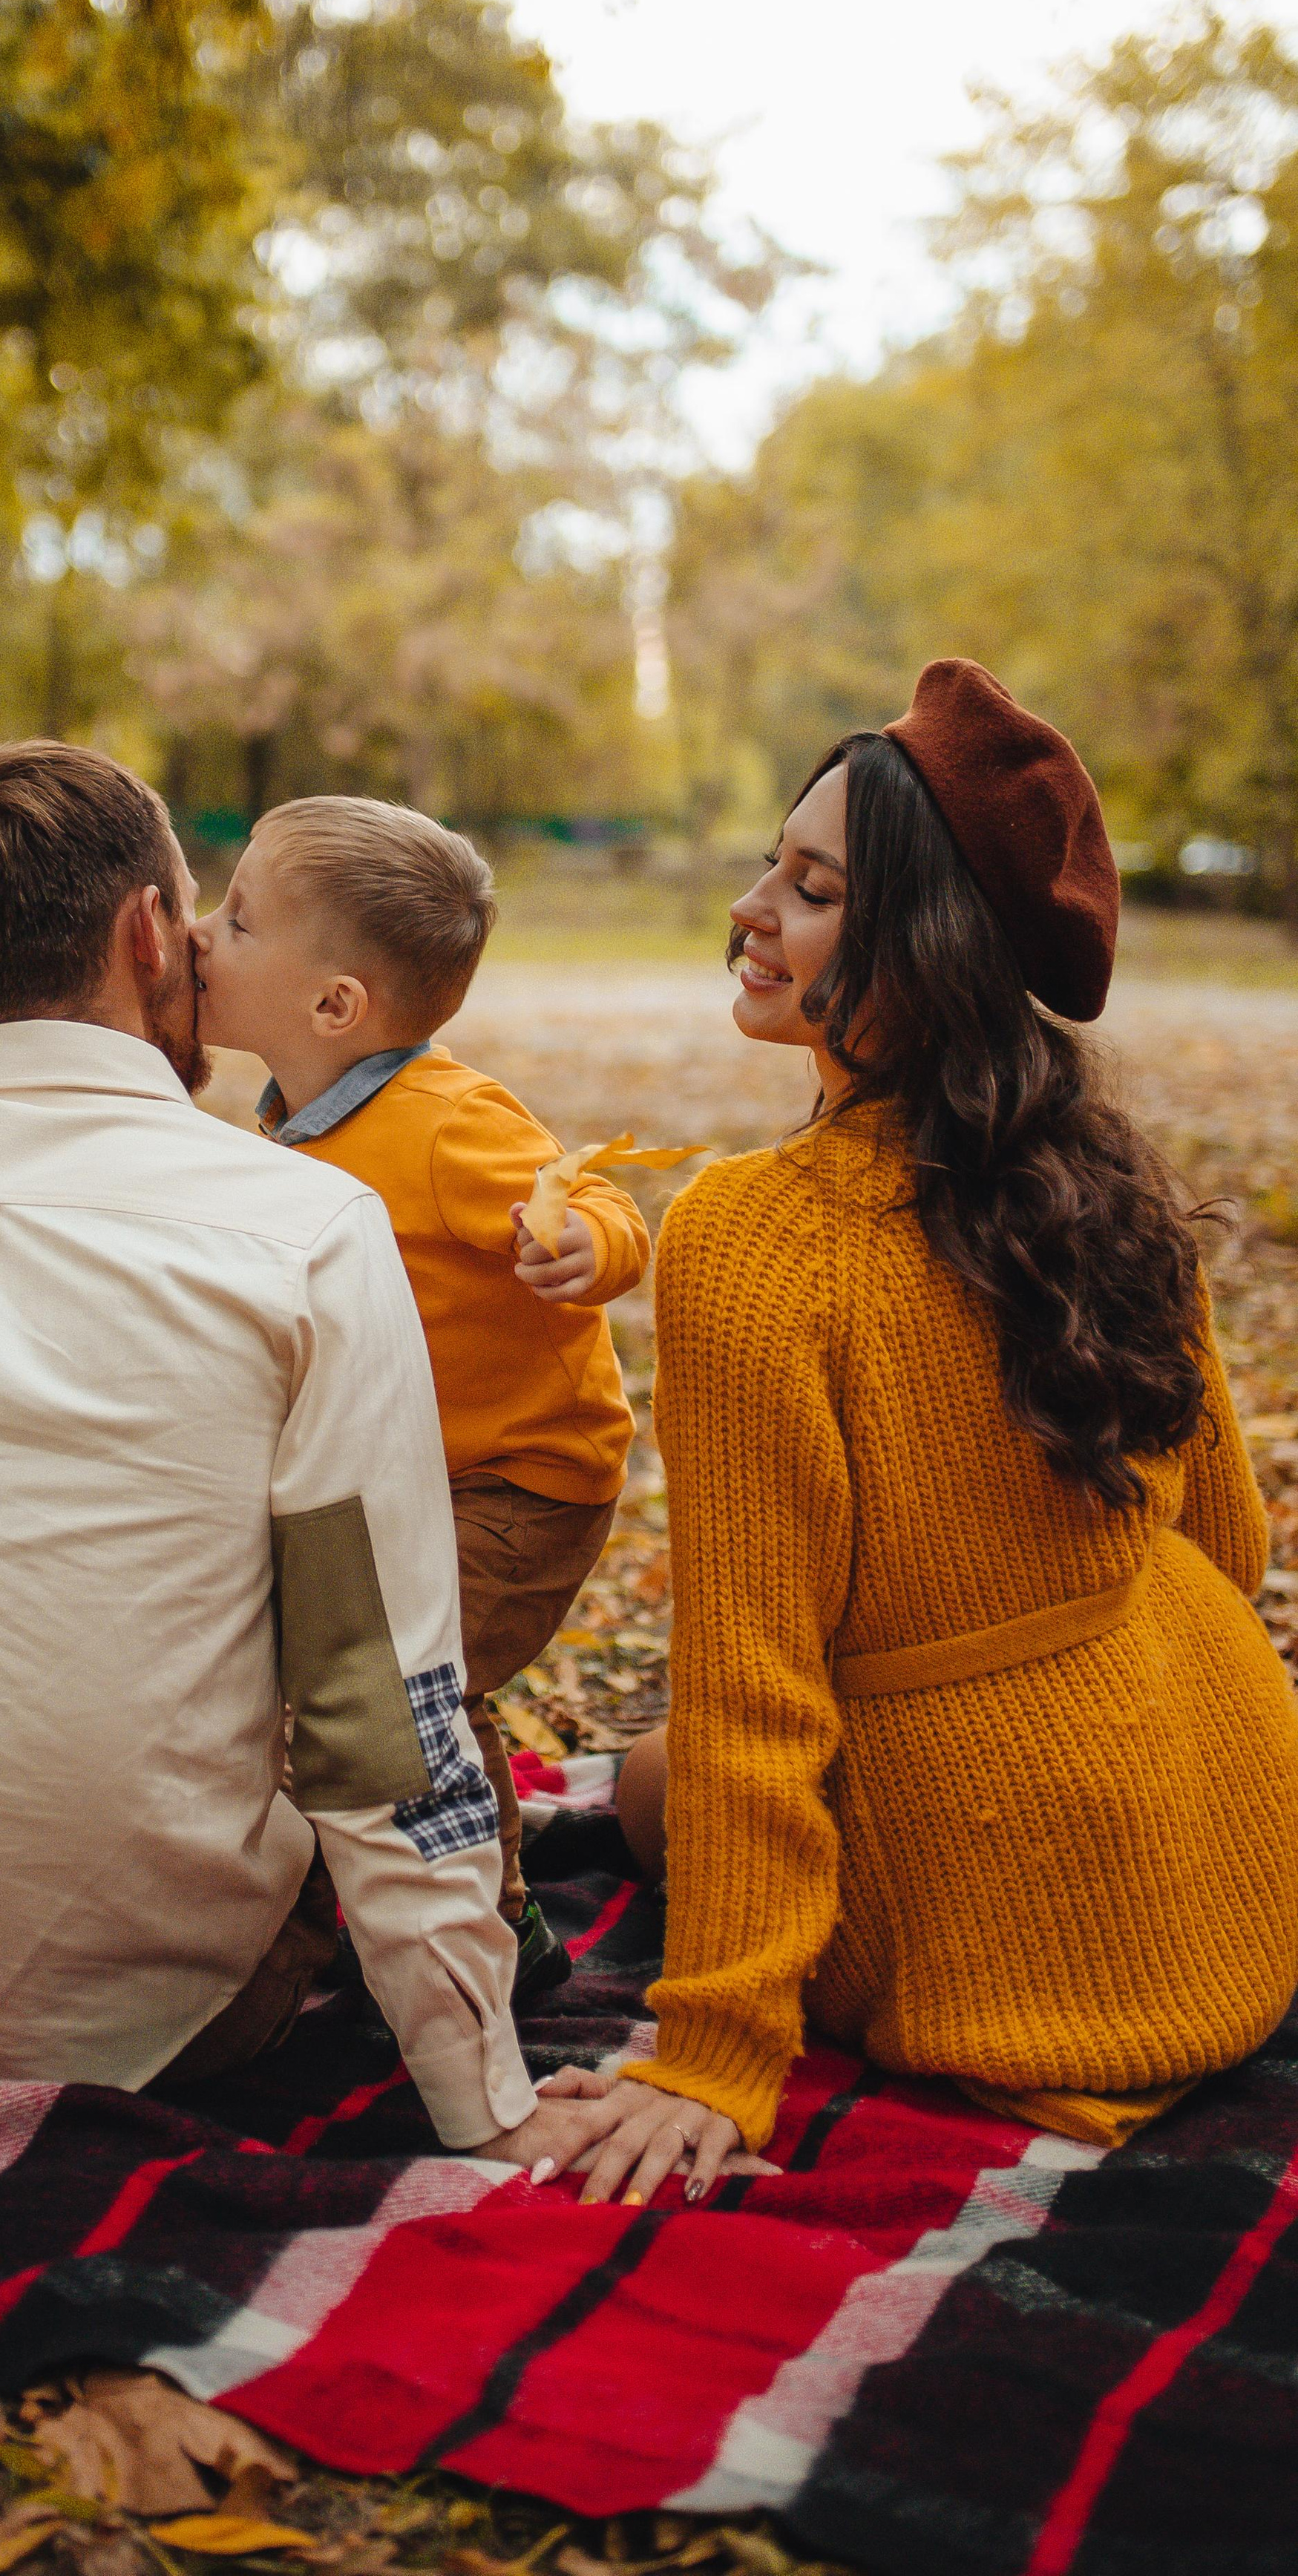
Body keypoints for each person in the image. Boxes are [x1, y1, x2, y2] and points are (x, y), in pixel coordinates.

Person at [0, 740, 601, 2179]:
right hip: (159, 2012)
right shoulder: (303, 1230)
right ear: (145, 935)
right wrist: (483, 2101)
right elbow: (369, 1694)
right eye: (198, 914)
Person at [554, 658, 1298, 2209]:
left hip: (987, 1923)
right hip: (1236, 1850)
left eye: (809, 886)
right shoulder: (1107, 1177)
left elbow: (754, 1686)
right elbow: (1223, 1550)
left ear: (920, 942)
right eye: (771, 863)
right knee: (665, 1767)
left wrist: (713, 2046)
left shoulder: (752, 1238)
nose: (750, 908)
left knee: (645, 1781)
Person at [191, 797, 650, 2005]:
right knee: (398, 1680)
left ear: (334, 1006)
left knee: (409, 1686)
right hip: (408, 1476)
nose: (198, 934)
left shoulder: (448, 1123)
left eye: (235, 920)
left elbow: (592, 1200)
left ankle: (495, 1945)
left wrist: (584, 1248)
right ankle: (444, 1895)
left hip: (519, 1481)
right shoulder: (292, 1123)